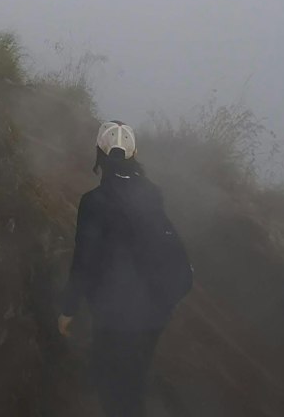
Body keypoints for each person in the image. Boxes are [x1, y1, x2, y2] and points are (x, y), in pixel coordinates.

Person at [59, 121, 192, 417]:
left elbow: (84, 260)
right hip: (156, 311)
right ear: (135, 154)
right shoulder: (153, 194)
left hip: (116, 315)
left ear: (99, 153)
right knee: (134, 375)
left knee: (118, 393)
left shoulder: (93, 202)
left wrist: (68, 309)